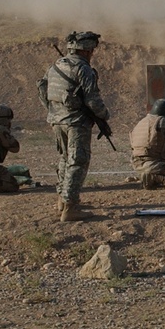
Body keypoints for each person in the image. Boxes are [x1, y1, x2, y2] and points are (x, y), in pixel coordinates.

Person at [43, 30, 111, 222]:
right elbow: (93, 101)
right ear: (87, 51)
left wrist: (53, 110)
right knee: (78, 161)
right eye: (91, 50)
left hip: (57, 120)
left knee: (65, 158)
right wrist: (105, 115)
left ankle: (62, 200)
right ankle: (70, 207)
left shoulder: (56, 66)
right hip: (76, 123)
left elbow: (42, 88)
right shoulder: (84, 69)